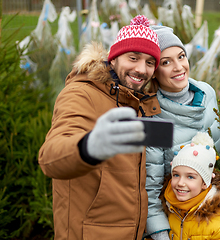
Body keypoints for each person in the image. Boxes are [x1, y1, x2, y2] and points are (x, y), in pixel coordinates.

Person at [38, 15, 161, 240]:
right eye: (133, 58)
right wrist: (89, 147)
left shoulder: (139, 100)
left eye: (150, 62)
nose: (141, 69)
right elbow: (50, 157)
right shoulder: (81, 94)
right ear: (113, 59)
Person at [145, 26, 220, 240]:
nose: (179, 67)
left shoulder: (206, 93)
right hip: (177, 220)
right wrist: (161, 236)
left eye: (181, 56)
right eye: (166, 62)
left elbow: (216, 145)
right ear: (154, 71)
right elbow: (150, 193)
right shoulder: (154, 117)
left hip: (211, 211)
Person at [162, 132, 220, 240]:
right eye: (176, 175)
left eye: (190, 177)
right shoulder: (170, 208)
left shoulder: (218, 226)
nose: (180, 183)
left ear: (205, 183)